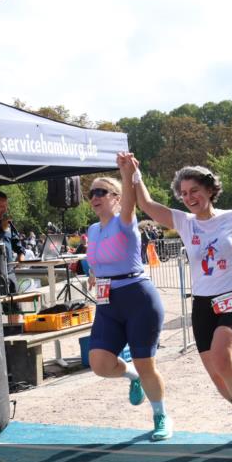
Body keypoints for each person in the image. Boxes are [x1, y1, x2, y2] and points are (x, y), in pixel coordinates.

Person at [127, 156, 232, 446]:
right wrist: (134, 174)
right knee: (218, 377)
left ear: (209, 190)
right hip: (203, 305)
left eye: (194, 190)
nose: (189, 197)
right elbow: (146, 205)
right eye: (183, 193)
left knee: (222, 356)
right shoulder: (183, 221)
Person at [84, 162, 172, 441]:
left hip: (138, 297)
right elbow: (97, 258)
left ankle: (161, 416)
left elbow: (132, 202)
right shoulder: (93, 230)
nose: (95, 197)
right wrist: (94, 274)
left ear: (117, 197)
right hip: (108, 302)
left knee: (146, 362)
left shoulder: (125, 221)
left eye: (101, 192)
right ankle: (132, 377)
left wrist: (126, 172)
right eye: (91, 194)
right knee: (99, 363)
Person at [0, 190, 22, 294]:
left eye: (5, 206)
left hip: (10, 272)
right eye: (1, 207)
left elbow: (15, 240)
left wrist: (20, 253)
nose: (4, 210)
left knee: (16, 305)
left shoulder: (8, 223)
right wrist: (1, 228)